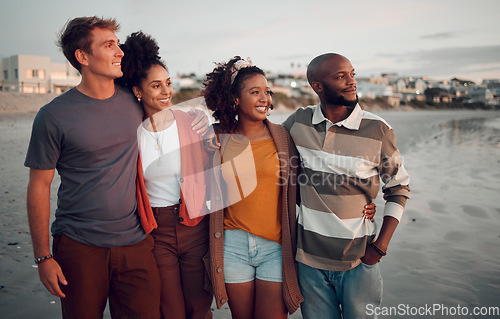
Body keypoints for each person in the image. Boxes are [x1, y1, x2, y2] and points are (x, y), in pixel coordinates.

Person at [201, 56, 375, 319]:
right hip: (232, 245)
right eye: (255, 92)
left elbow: (315, 178)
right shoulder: (215, 138)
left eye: (268, 92)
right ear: (235, 99)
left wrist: (358, 202)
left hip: (276, 246)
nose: (265, 98)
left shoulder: (283, 136)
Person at [24, 17, 161, 318]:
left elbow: (171, 128)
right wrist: (43, 257)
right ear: (82, 57)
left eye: (118, 44)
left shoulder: (135, 102)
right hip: (79, 245)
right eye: (109, 45)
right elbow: (39, 186)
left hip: (136, 243)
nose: (119, 51)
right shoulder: (53, 116)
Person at [282, 53, 411, 319]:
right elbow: (264, 147)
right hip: (308, 261)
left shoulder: (378, 129)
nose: (352, 81)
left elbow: (399, 188)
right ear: (318, 86)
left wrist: (380, 247)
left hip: (358, 260)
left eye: (352, 74)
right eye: (341, 76)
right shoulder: (298, 123)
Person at [117, 31, 213, 319]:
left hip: (195, 225)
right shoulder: (130, 132)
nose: (166, 92)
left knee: (199, 308)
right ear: (138, 91)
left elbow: (215, 160)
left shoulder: (190, 122)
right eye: (156, 86)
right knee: (169, 309)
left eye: (168, 83)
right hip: (156, 231)